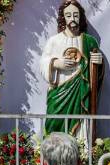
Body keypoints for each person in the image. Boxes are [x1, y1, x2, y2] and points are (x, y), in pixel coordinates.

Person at [40, 0, 104, 139]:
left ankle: (81, 153)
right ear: (63, 18)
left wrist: (99, 64)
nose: (72, 19)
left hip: (81, 92)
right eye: (68, 15)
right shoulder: (54, 41)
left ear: (80, 17)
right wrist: (56, 63)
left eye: (76, 15)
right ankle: (54, 155)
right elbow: (43, 62)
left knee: (80, 130)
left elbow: (96, 75)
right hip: (59, 93)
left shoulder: (90, 41)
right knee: (54, 124)